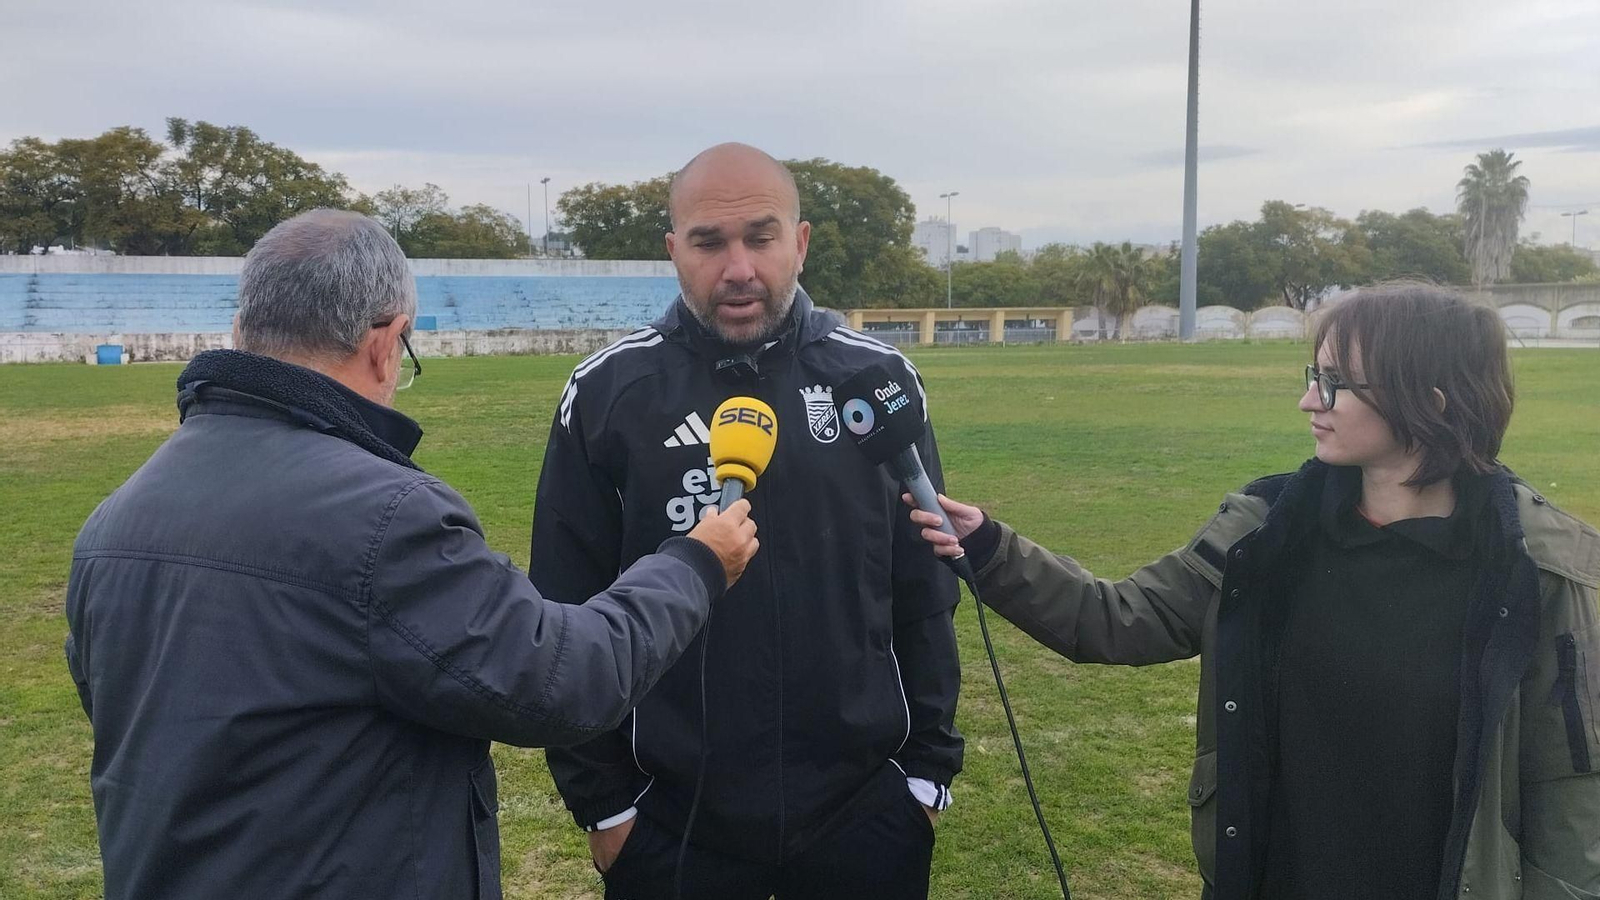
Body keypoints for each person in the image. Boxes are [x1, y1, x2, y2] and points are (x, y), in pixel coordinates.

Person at [63, 209, 759, 900]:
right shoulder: (384, 518)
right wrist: (695, 564)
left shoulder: (112, 520)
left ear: (244, 330)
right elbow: (561, 680)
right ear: (386, 341)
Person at [908, 284, 1600, 900]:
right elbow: (1119, 620)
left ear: (1428, 403)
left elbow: (1570, 803)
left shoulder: (1544, 572)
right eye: (1313, 375)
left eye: (1334, 383)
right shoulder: (1267, 534)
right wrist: (993, 548)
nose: (1308, 400)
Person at [530, 143, 962, 900]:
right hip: (672, 823)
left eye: (760, 238)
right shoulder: (608, 394)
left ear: (798, 242)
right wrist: (607, 808)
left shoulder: (877, 381)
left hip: (863, 815)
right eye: (708, 241)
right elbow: (565, 610)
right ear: (673, 252)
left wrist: (924, 779)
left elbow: (925, 590)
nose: (738, 267)